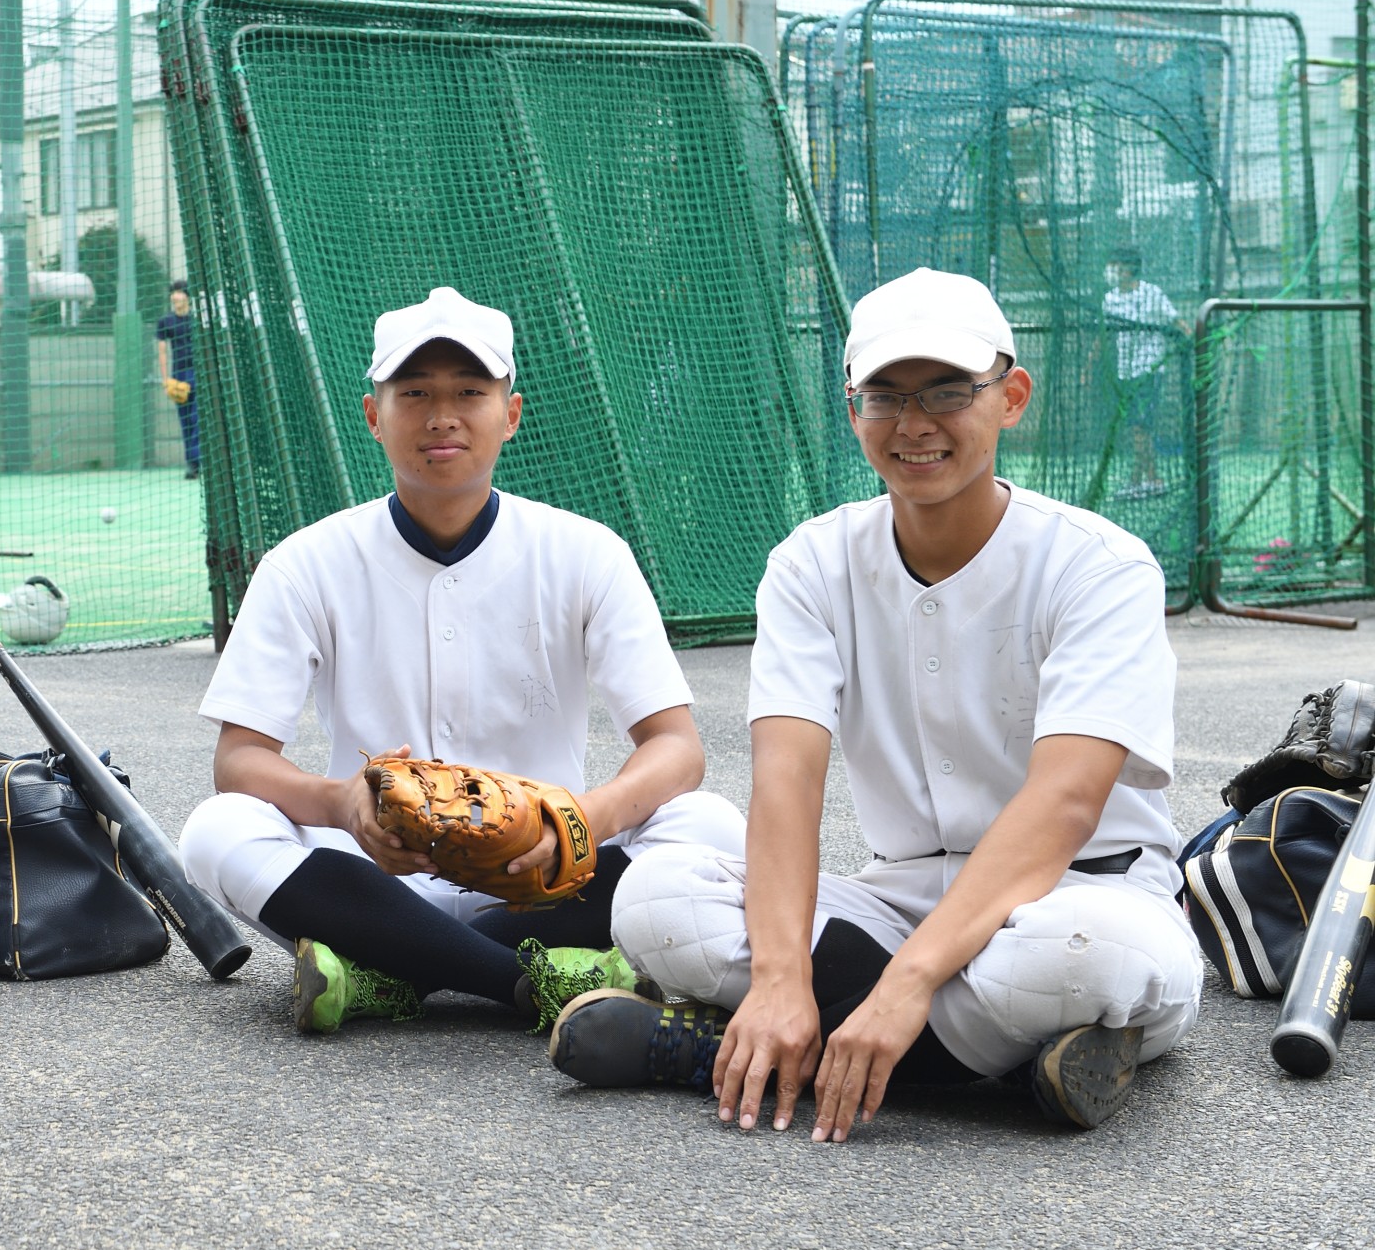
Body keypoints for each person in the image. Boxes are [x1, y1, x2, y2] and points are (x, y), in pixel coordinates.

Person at [559, 268, 1200, 1136]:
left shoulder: (1100, 565)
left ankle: (713, 1056)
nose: (915, 423)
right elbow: (786, 781)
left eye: (947, 390)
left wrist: (906, 983)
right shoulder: (811, 563)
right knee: (655, 900)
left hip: (1082, 892)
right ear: (851, 406)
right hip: (896, 896)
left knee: (1086, 959)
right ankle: (1010, 1069)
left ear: (1011, 397)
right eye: (885, 396)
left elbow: (1066, 803)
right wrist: (783, 976)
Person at [178, 286, 745, 1036]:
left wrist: (578, 823)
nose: (442, 415)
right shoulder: (305, 562)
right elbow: (240, 760)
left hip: (544, 876)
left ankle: (390, 970)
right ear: (374, 416)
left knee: (710, 825)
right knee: (216, 828)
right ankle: (524, 981)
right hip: (371, 870)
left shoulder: (584, 551)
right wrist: (342, 803)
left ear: (510, 415)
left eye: (470, 391)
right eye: (414, 392)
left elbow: (676, 747)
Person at [1103, 247, 1188, 499]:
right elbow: (1103, 336)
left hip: (1149, 368)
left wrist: (1196, 340)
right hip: (1125, 372)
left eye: (1115, 265)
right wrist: (1088, 367)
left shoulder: (1152, 293)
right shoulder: (1110, 299)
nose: (1110, 271)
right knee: (1138, 427)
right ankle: (1152, 478)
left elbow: (1176, 321)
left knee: (1140, 425)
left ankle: (1139, 479)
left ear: (1128, 269)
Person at [157, 281, 201, 480]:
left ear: (187, 297)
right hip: (179, 375)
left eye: (179, 293)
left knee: (197, 418)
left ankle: (198, 460)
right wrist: (166, 379)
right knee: (186, 422)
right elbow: (162, 350)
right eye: (173, 293)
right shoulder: (166, 321)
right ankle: (193, 465)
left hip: (198, 373)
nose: (175, 297)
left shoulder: (198, 319)